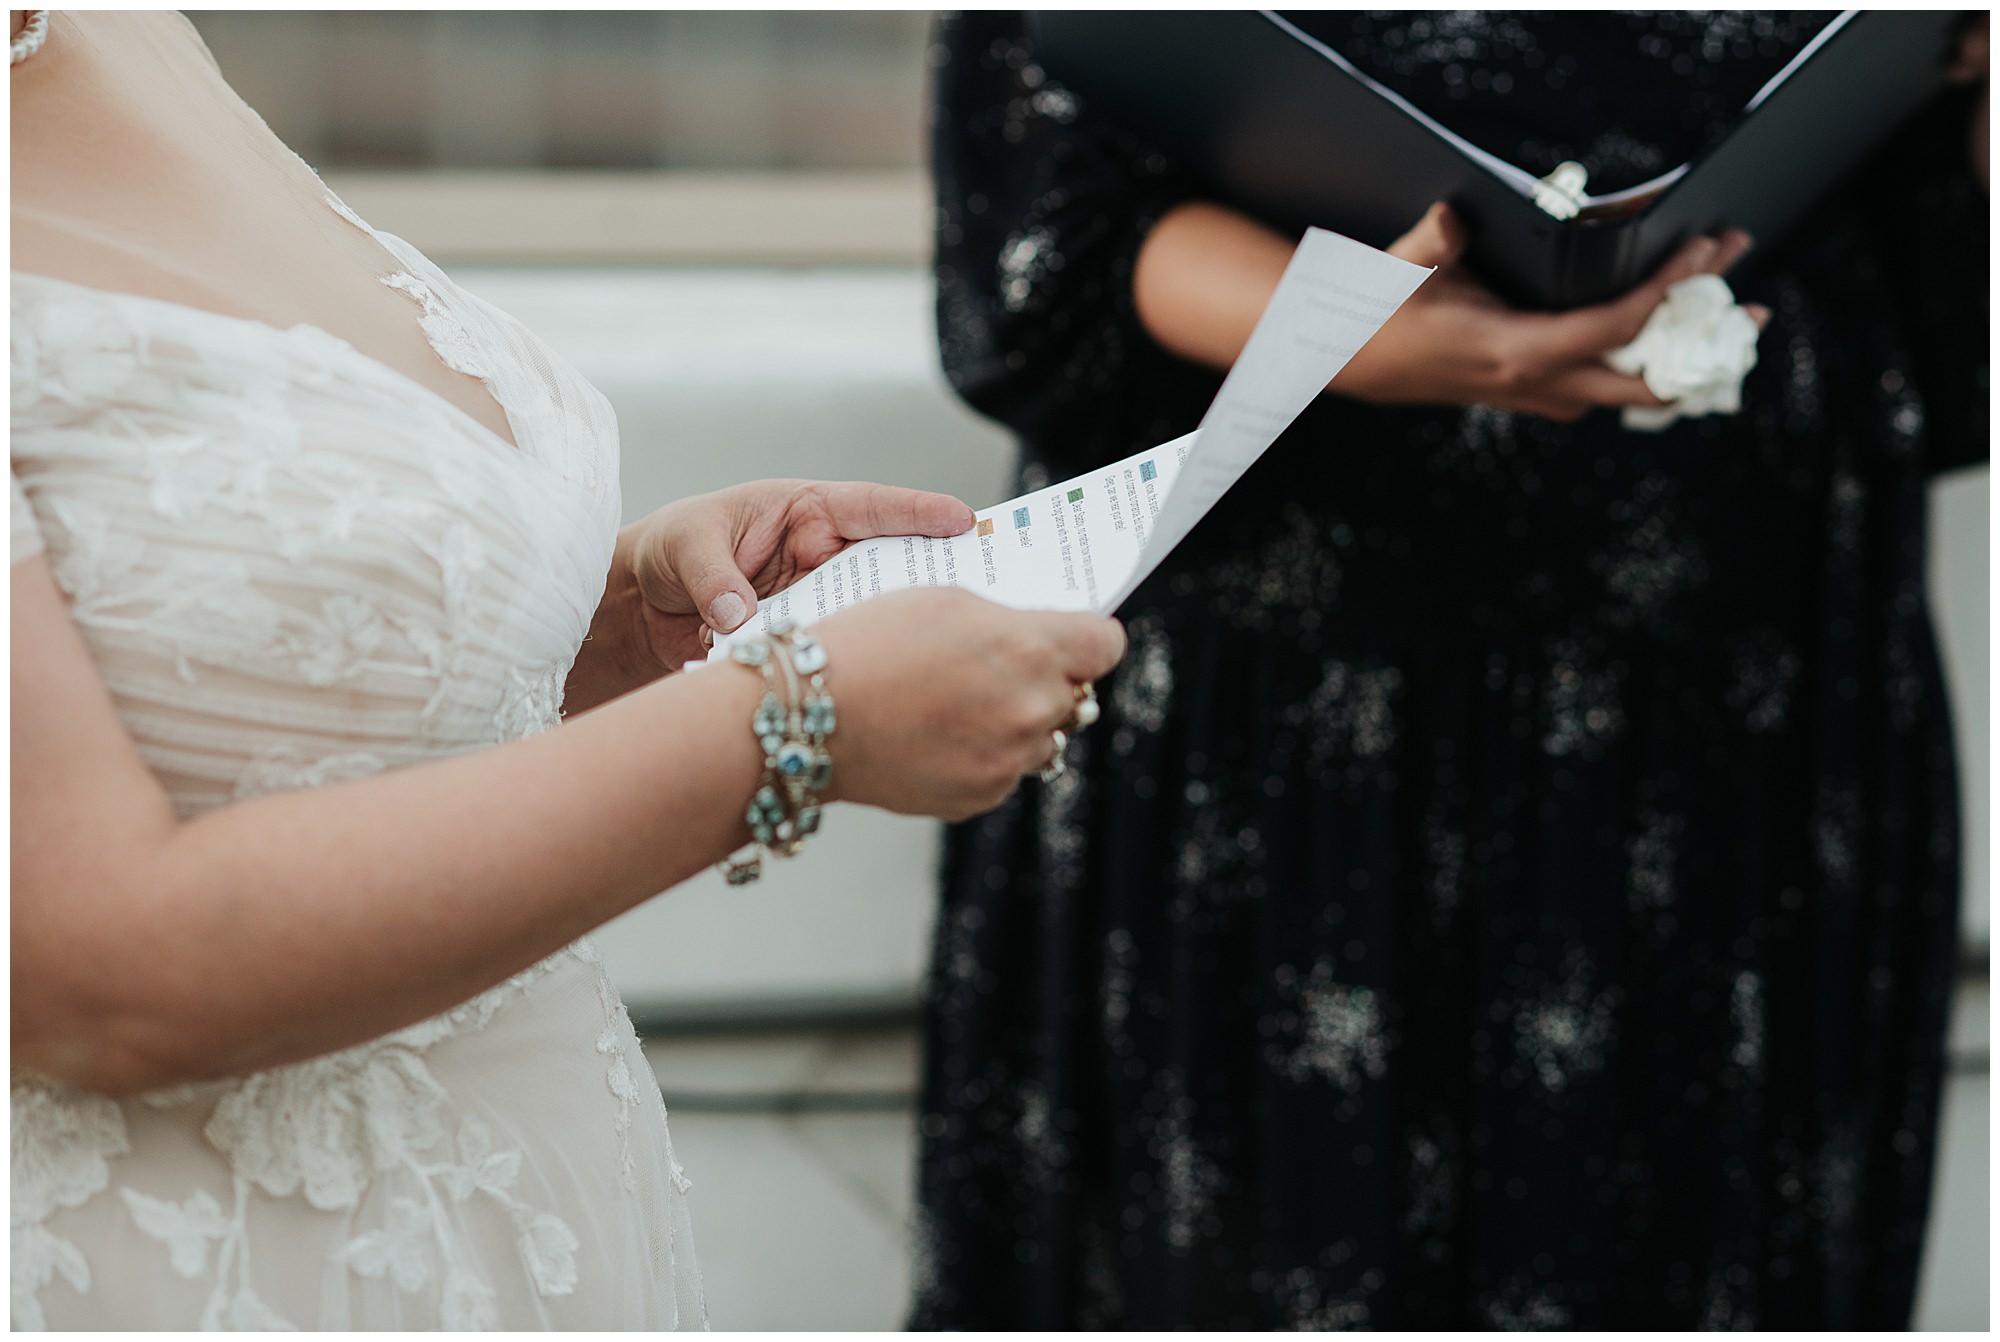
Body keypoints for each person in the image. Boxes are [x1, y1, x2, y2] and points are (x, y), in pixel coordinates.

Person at [8, 10, 1126, 1329]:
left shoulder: (104, 24)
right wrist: (788, 727)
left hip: (523, 1239)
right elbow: (97, 975)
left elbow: (209, 683)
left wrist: (609, 619)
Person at [914, 10, 1987, 1330]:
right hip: (1272, 756)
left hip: (1748, 754)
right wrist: (1364, 333)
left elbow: (1944, 323)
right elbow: (1045, 235)